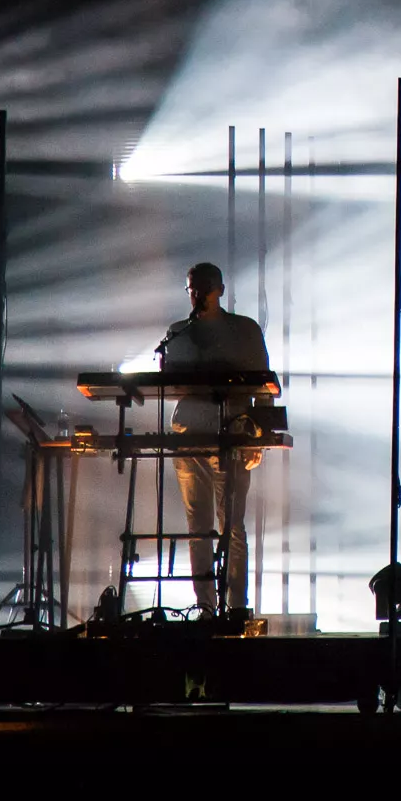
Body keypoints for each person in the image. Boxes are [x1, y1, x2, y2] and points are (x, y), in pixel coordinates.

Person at [159, 262, 272, 615]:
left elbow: (264, 386)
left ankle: (236, 607)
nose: (196, 295)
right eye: (191, 289)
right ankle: (206, 607)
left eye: (202, 288)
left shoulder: (245, 331)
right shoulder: (178, 333)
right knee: (198, 526)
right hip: (189, 434)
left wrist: (258, 437)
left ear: (220, 290)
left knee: (232, 525)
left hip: (232, 435)